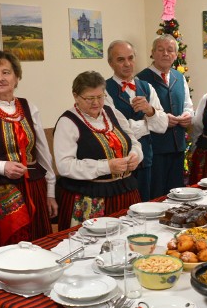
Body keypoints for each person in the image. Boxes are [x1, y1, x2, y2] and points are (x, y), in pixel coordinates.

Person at [0, 48, 58, 247]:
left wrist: (50, 192)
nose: (0, 78)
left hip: (34, 188)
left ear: (16, 77)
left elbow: (43, 152)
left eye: (5, 72)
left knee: (40, 246)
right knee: (7, 252)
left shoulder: (29, 107)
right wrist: (2, 167)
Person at [54, 71, 143, 230]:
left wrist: (135, 155)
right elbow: (65, 166)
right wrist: (106, 167)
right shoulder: (67, 122)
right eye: (89, 98)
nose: (96, 103)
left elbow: (132, 140)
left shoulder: (112, 112)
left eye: (100, 97)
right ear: (76, 96)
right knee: (94, 246)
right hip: (89, 197)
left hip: (125, 191)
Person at [105, 40, 168, 201]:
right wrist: (147, 125)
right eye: (120, 59)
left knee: (146, 205)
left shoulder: (146, 87)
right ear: (110, 63)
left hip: (146, 160)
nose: (127, 64)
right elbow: (115, 129)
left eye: (130, 58)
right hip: (120, 163)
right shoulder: (104, 90)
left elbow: (162, 126)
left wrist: (150, 111)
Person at [137, 34, 194, 198]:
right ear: (152, 53)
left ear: (176, 55)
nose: (165, 54)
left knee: (175, 194)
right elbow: (137, 114)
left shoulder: (179, 77)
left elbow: (188, 105)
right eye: (160, 50)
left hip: (177, 147)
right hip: (154, 148)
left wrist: (188, 115)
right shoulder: (141, 79)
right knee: (156, 195)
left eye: (170, 50)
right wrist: (161, 119)